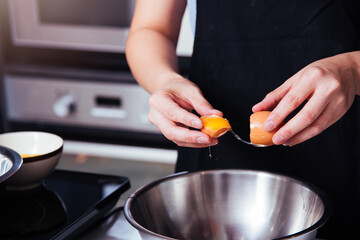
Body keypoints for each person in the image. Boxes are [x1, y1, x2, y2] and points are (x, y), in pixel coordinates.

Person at [126, 0, 360, 238]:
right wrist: (164, 81)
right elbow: (151, 30)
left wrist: (353, 69)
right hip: (214, 165)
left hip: (345, 149)